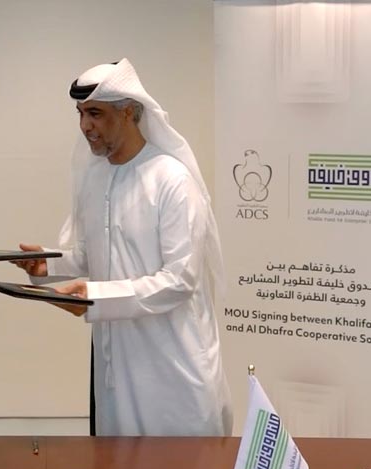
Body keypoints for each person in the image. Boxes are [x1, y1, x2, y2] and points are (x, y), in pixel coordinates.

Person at [16, 59, 232, 436]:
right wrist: (48, 266)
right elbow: (94, 255)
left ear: (129, 112)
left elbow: (180, 280)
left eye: (95, 114)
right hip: (116, 367)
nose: (85, 126)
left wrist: (94, 297)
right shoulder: (96, 178)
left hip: (172, 368)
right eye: (81, 114)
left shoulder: (172, 180)